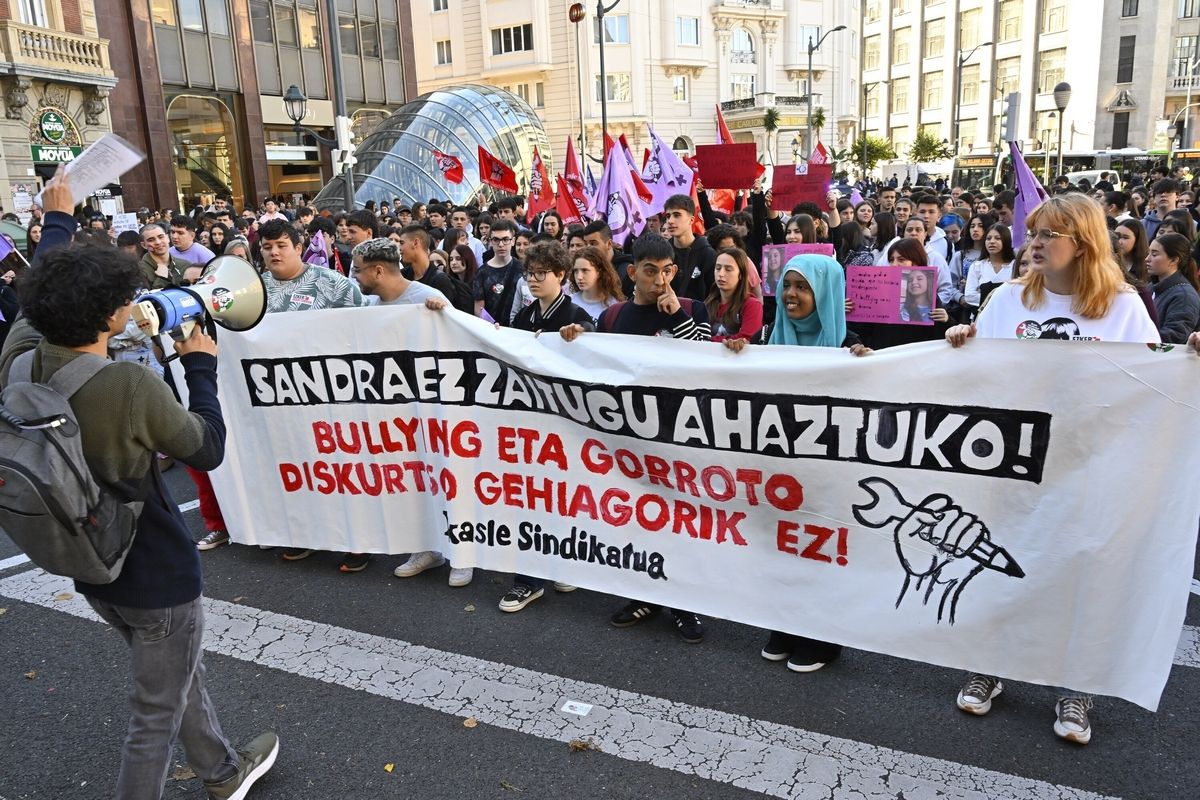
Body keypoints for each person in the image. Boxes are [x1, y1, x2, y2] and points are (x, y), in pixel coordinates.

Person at [0, 167, 279, 798]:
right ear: (109, 314)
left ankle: (223, 771)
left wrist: (60, 222)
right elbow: (204, 447)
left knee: (173, 674)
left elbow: (40, 287)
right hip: (153, 567)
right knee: (153, 715)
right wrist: (200, 367)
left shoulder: (20, 351)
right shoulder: (125, 385)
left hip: (89, 559)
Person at [946, 194, 1159, 745]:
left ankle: (1075, 686)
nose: (1033, 243)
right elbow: (976, 378)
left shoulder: (1123, 308)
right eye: (1032, 232)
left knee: (1079, 573)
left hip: (1090, 465)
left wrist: (1188, 357)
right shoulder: (1006, 300)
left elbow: (1154, 385)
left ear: (1082, 243)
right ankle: (989, 664)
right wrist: (961, 345)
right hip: (1014, 463)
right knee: (999, 561)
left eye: (1048, 235)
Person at [560, 234, 708, 642]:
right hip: (628, 438)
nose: (659, 280)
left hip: (679, 437)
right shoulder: (614, 318)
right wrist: (576, 335)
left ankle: (685, 605)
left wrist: (677, 315)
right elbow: (591, 359)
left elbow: (706, 363)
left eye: (667, 271)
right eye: (650, 271)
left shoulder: (694, 309)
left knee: (680, 522)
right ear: (633, 272)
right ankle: (644, 594)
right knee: (637, 518)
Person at [727, 254, 869, 671]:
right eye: (787, 285)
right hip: (780, 468)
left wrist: (868, 367)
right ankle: (785, 625)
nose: (791, 294)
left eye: (803, 287)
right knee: (781, 547)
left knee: (821, 549)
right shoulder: (772, 340)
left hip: (827, 473)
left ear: (824, 292)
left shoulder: (849, 344)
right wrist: (738, 355)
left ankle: (823, 638)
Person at [258, 219, 369, 570]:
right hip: (277, 400)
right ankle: (306, 536)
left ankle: (358, 542)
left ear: (297, 245)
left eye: (280, 245)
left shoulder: (333, 284)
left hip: (330, 399)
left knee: (338, 470)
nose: (274, 252)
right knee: (294, 471)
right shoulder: (253, 290)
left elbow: (365, 331)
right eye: (266, 247)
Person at [495, 243, 596, 612]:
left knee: (559, 498)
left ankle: (559, 562)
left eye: (542, 273)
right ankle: (528, 580)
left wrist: (578, 333)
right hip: (526, 422)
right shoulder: (523, 316)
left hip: (563, 422)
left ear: (561, 276)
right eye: (529, 274)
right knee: (529, 498)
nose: (534, 281)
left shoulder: (574, 315)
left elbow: (591, 339)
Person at [1145, 232, 1200, 343]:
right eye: (1148, 253)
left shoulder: (1184, 296)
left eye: (1154, 254)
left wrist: (1140, 337)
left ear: (1174, 260)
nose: (1147, 259)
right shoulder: (1151, 287)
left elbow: (1175, 336)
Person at [662, 194, 716, 302]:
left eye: (677, 215)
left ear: (691, 220)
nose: (670, 221)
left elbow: (714, 295)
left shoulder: (708, 254)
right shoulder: (662, 252)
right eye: (668, 216)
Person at [704, 247, 763, 343]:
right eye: (718, 268)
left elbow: (747, 339)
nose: (721, 274)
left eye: (728, 269)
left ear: (741, 274)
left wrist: (707, 341)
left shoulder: (752, 305)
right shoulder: (708, 303)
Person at [474, 219, 525, 324]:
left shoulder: (523, 269)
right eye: (496, 240)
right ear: (491, 241)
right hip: (493, 331)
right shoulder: (482, 272)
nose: (501, 244)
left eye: (505, 239)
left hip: (519, 330)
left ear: (513, 241)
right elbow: (479, 310)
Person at [964, 223, 1015, 312]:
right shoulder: (977, 266)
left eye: (997, 238)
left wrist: (982, 293)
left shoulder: (1015, 266)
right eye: (988, 238)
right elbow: (969, 296)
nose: (992, 241)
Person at [568, 245, 624, 322]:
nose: (579, 277)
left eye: (585, 270)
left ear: (599, 272)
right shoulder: (569, 302)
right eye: (576, 271)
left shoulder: (614, 307)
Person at [138, 222, 190, 289]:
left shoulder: (185, 266)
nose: (158, 242)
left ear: (168, 238)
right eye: (151, 240)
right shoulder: (139, 272)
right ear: (144, 245)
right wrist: (162, 279)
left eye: (161, 237)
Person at [446, 244, 480, 314]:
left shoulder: (478, 281)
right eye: (451, 259)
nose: (453, 263)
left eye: (458, 258)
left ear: (468, 259)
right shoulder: (449, 283)